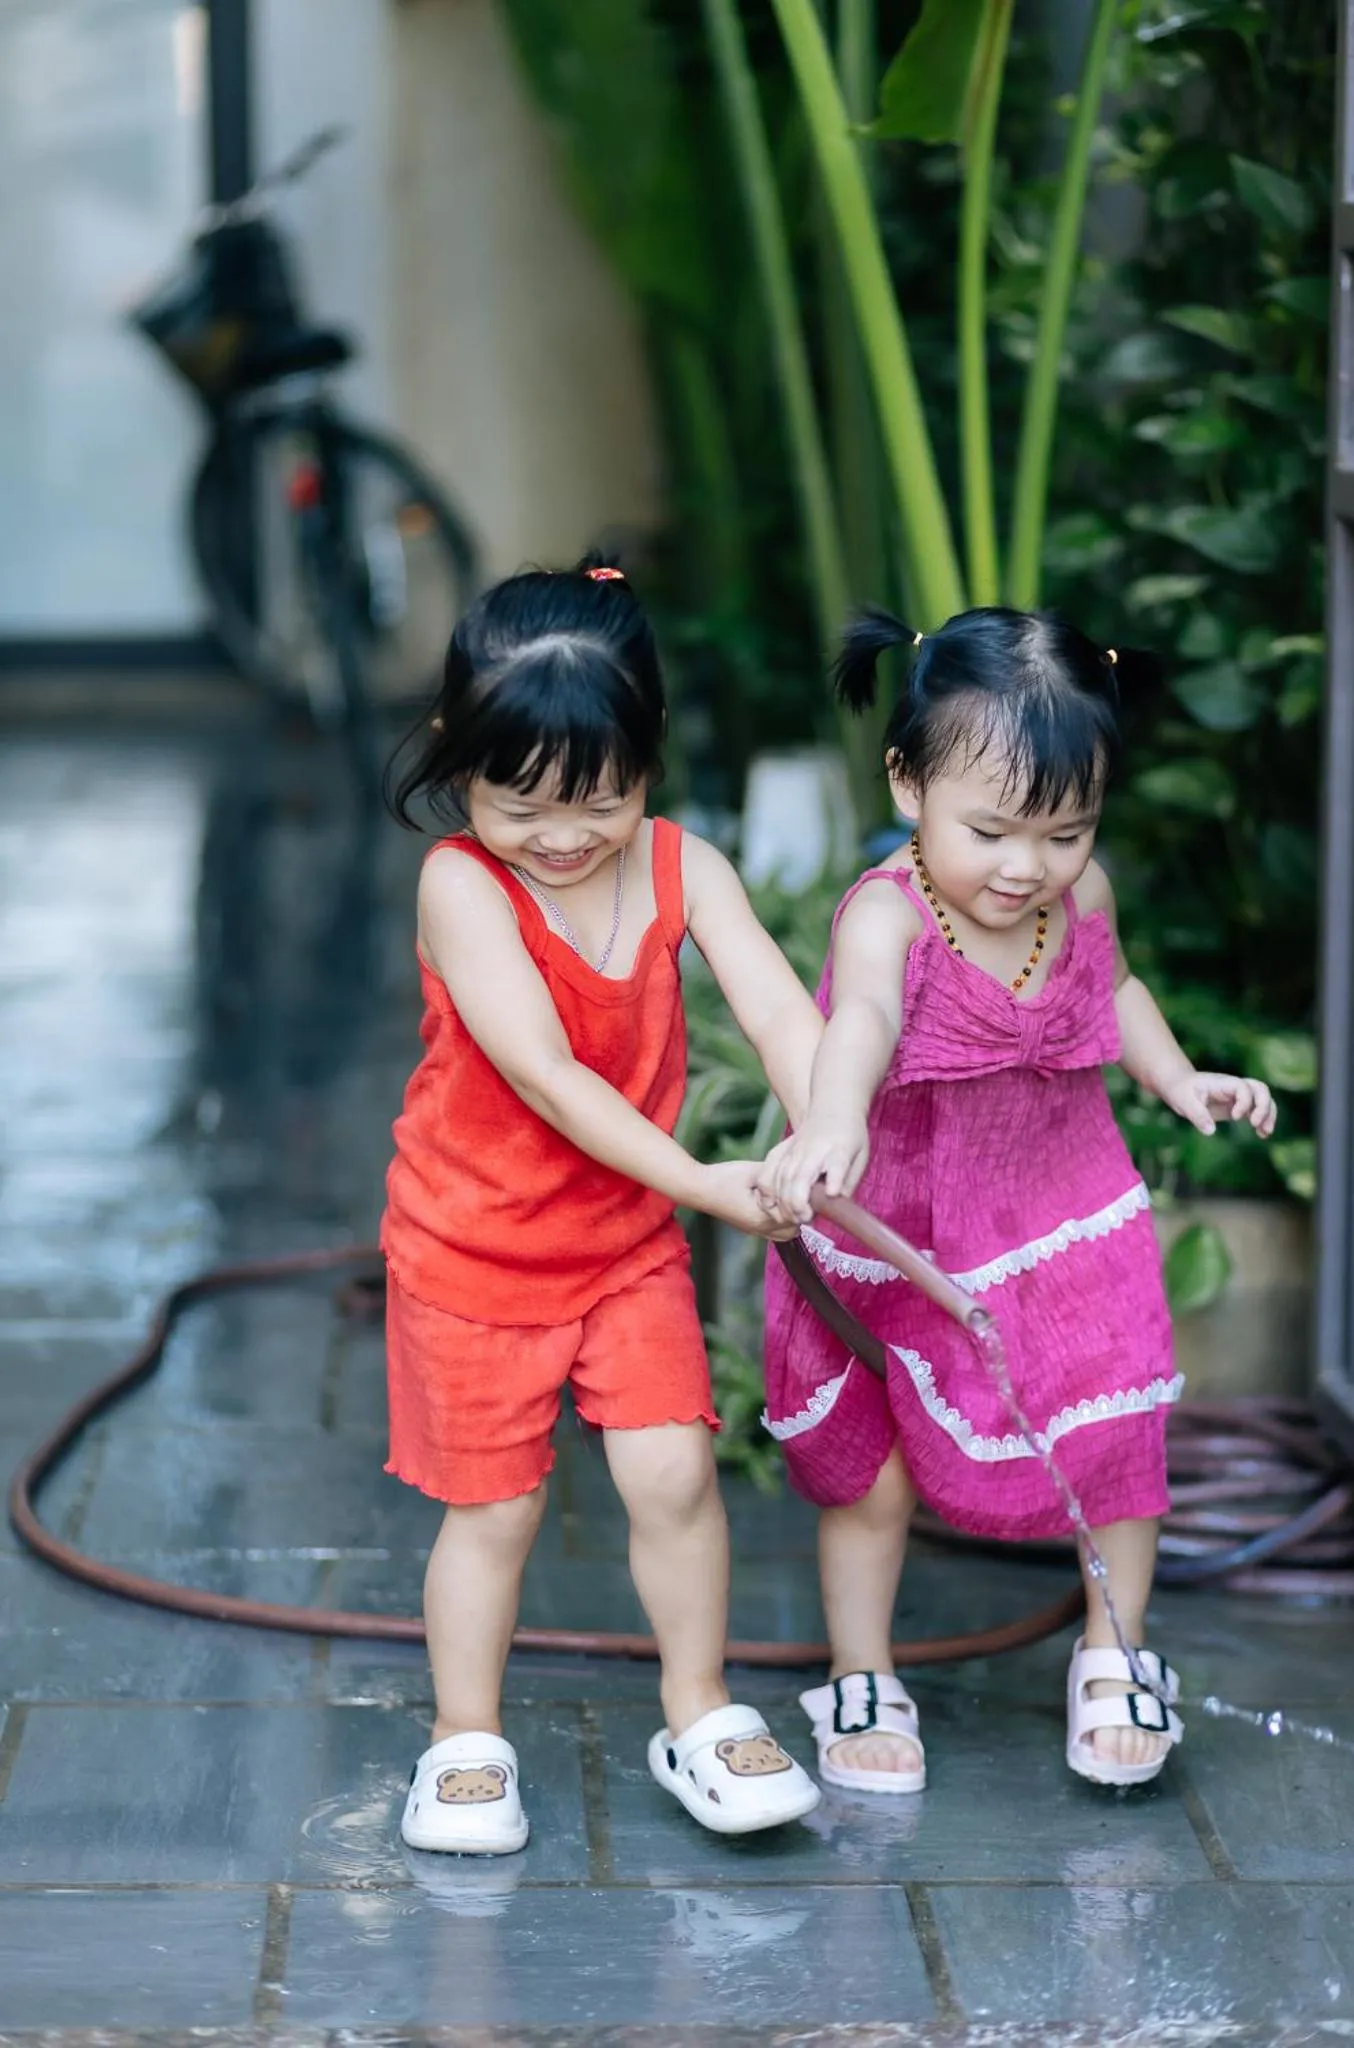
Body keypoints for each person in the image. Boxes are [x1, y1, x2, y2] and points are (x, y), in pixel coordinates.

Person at [757, 605, 1276, 1795]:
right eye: (989, 829)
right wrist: (833, 1117)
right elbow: (864, 1016)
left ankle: (1114, 1649)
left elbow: (1118, 985)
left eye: (1065, 831)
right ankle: (861, 1666)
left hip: (1058, 1194)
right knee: (874, 1465)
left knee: (1116, 1413)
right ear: (906, 781)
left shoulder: (1080, 898)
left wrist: (1178, 1077)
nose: (1025, 867)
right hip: (906, 1217)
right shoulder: (890, 912)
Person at [381, 557, 823, 1855]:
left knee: (675, 1472)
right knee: (498, 1509)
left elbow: (778, 1006)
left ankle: (699, 1709)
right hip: (472, 1249)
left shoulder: (686, 865)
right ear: (460, 759)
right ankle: (464, 1736)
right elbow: (549, 1075)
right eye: (522, 805)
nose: (564, 836)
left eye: (603, 800)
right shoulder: (462, 885)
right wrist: (705, 1184)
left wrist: (828, 1119)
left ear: (649, 754)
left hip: (623, 1245)